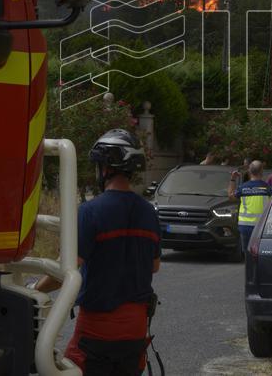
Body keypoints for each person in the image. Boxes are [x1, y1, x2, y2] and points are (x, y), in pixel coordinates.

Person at [54, 129, 161, 375]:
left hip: (96, 330)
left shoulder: (90, 211)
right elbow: (154, 266)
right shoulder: (149, 212)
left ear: (105, 168)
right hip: (135, 330)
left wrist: (34, 289)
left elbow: (67, 268)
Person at [228, 160, 272, 252]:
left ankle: (249, 266)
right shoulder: (267, 188)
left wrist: (233, 179)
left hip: (245, 226)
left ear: (249, 171)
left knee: (248, 253)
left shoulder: (243, 188)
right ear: (261, 172)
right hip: (262, 227)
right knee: (260, 253)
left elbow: (231, 196)